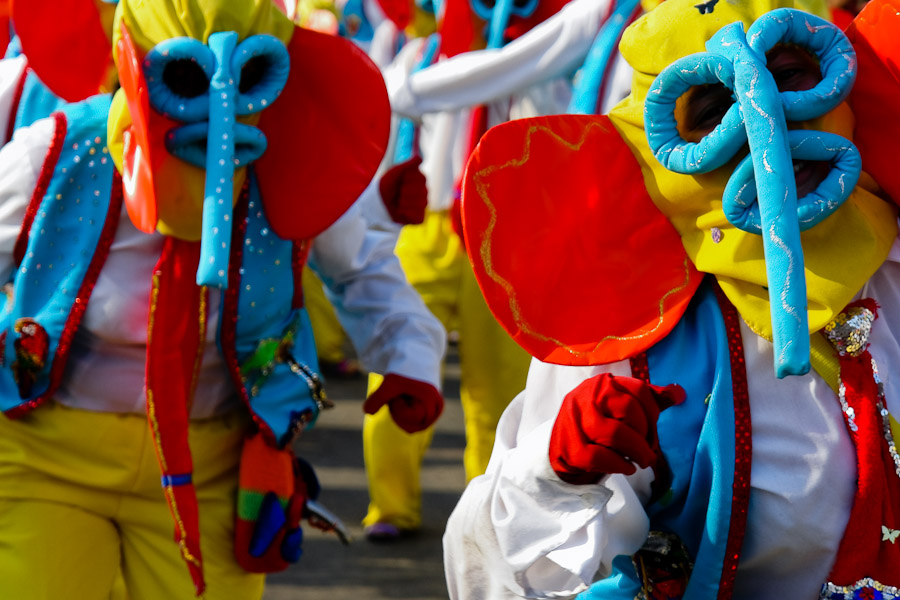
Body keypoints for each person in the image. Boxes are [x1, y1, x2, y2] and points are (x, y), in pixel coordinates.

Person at [443, 0, 900, 597]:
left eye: (789, 78)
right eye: (713, 111)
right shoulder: (632, 323)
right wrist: (556, 474)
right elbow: (490, 572)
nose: (767, 126)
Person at [0, 0, 445, 598]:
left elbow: (362, 266)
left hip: (213, 466)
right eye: (185, 77)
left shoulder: (287, 162)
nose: (219, 105)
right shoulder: (58, 151)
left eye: (249, 78)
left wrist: (407, 356)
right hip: (46, 454)